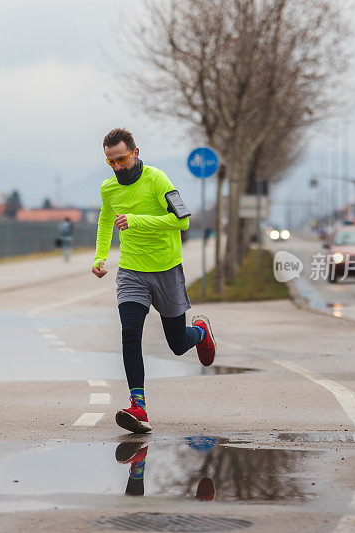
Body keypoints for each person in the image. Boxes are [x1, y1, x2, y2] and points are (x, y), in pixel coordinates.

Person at [91, 127, 216, 434]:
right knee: (130, 333)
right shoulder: (109, 189)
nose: (117, 167)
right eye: (111, 162)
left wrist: (136, 220)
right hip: (132, 272)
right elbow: (106, 219)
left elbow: (182, 220)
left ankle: (199, 333)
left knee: (176, 344)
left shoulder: (158, 180)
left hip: (167, 270)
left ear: (135, 153)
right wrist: (100, 256)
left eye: (121, 159)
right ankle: (139, 407)